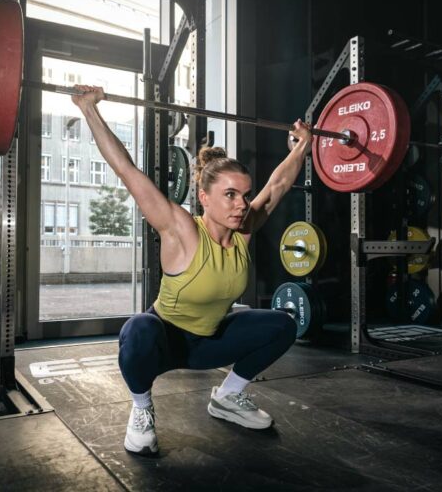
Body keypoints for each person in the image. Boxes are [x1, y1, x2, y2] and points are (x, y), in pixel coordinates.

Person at [71, 85, 312, 456]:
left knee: (283, 324)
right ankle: (141, 409)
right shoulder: (180, 229)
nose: (242, 204)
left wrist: (302, 146)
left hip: (208, 344)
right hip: (164, 342)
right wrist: (89, 109)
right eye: (230, 195)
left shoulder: (244, 231)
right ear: (204, 198)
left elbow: (278, 185)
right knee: (137, 329)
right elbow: (126, 170)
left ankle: (228, 397)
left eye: (245, 195)